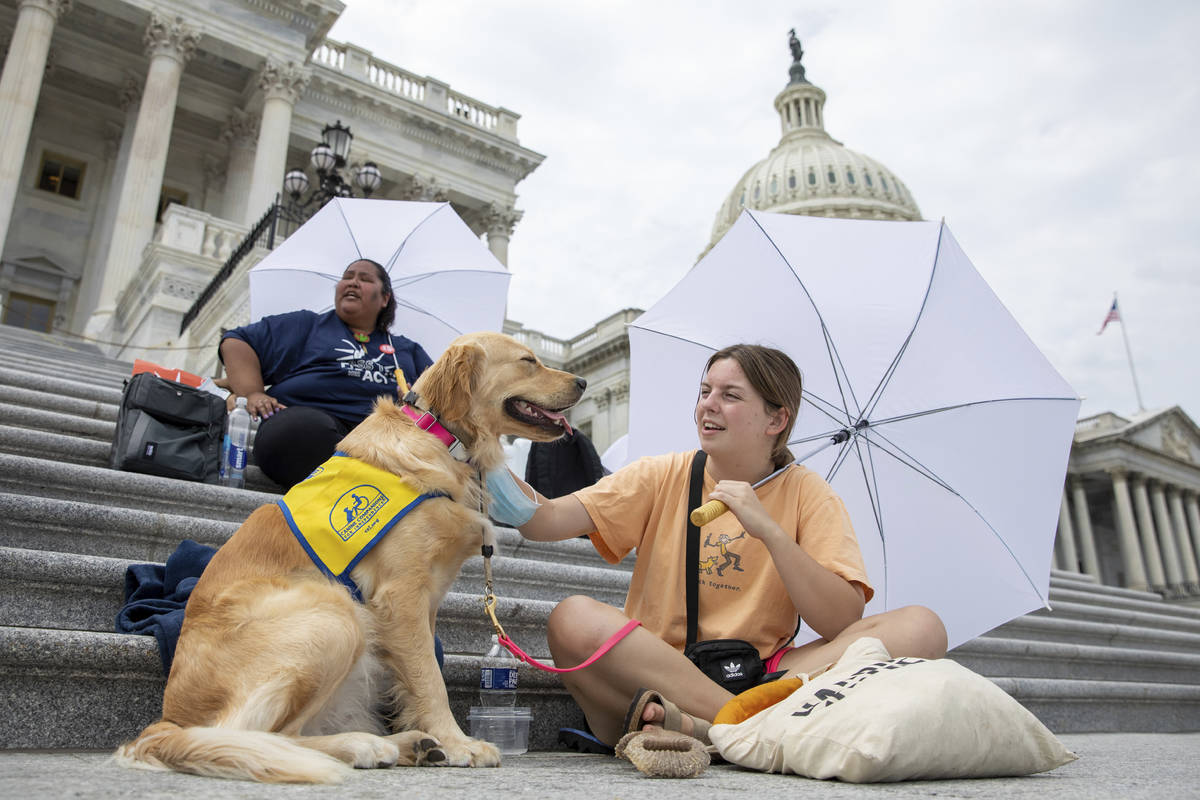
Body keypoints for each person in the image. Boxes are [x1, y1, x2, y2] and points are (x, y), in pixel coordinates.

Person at [493, 344, 947, 747]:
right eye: (705, 391)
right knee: (571, 617)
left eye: (730, 396)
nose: (708, 405)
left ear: (776, 418)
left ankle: (713, 728)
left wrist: (769, 532)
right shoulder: (662, 473)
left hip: (766, 677)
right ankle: (750, 728)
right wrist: (480, 455)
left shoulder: (810, 493)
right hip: (658, 673)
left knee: (922, 628)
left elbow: (842, 620)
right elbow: (544, 520)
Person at [219, 258, 432, 488]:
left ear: (385, 298)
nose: (353, 283)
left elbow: (446, 398)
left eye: (365, 279)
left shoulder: (406, 350)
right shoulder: (307, 325)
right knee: (296, 432)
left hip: (382, 438)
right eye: (347, 277)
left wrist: (415, 404)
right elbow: (236, 343)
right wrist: (252, 393)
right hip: (311, 430)